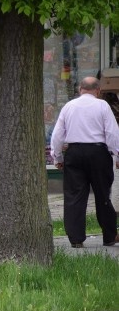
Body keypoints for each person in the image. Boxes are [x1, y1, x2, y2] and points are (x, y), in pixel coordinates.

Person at [50, 76, 119, 248]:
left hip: (74, 152)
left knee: (74, 196)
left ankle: (76, 239)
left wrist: (57, 157)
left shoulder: (69, 106)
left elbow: (57, 135)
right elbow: (112, 133)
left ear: (80, 89)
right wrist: (117, 155)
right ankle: (109, 236)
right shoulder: (103, 105)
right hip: (98, 152)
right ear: (98, 91)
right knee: (103, 195)